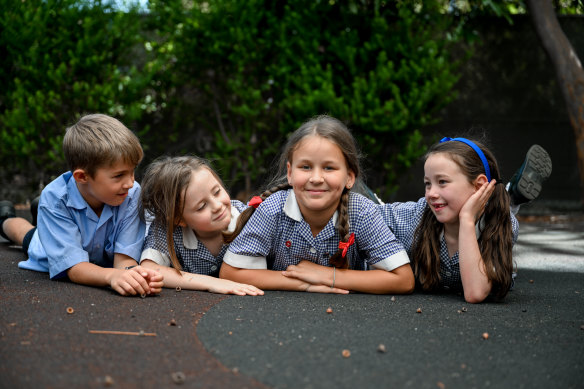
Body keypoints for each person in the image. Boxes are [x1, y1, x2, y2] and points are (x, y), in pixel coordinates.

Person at [219, 115, 415, 294]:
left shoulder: (362, 211)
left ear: (349, 177)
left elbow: (404, 280)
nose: (316, 178)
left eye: (329, 167)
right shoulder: (272, 209)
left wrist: (328, 276)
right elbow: (230, 272)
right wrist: (304, 283)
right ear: (290, 172)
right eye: (305, 167)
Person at [0, 114, 163, 297]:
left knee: (44, 222)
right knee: (29, 236)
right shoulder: (55, 199)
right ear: (82, 177)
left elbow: (124, 261)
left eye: (132, 172)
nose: (130, 183)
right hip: (54, 244)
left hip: (90, 244)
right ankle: (5, 218)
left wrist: (133, 276)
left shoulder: (131, 195)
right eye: (119, 176)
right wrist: (112, 276)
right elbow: (75, 268)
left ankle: (41, 214)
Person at [377, 137, 552, 303]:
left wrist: (467, 220)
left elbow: (475, 293)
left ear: (478, 186)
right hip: (480, 204)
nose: (431, 193)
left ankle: (506, 197)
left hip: (489, 212)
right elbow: (367, 213)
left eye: (442, 181)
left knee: (499, 209)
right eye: (427, 183)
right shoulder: (418, 214)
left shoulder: (502, 224)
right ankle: (508, 195)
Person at [138, 155, 264, 296]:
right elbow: (149, 269)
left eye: (217, 192)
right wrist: (212, 283)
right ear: (179, 219)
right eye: (202, 206)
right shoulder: (168, 231)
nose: (217, 206)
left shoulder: (249, 219)